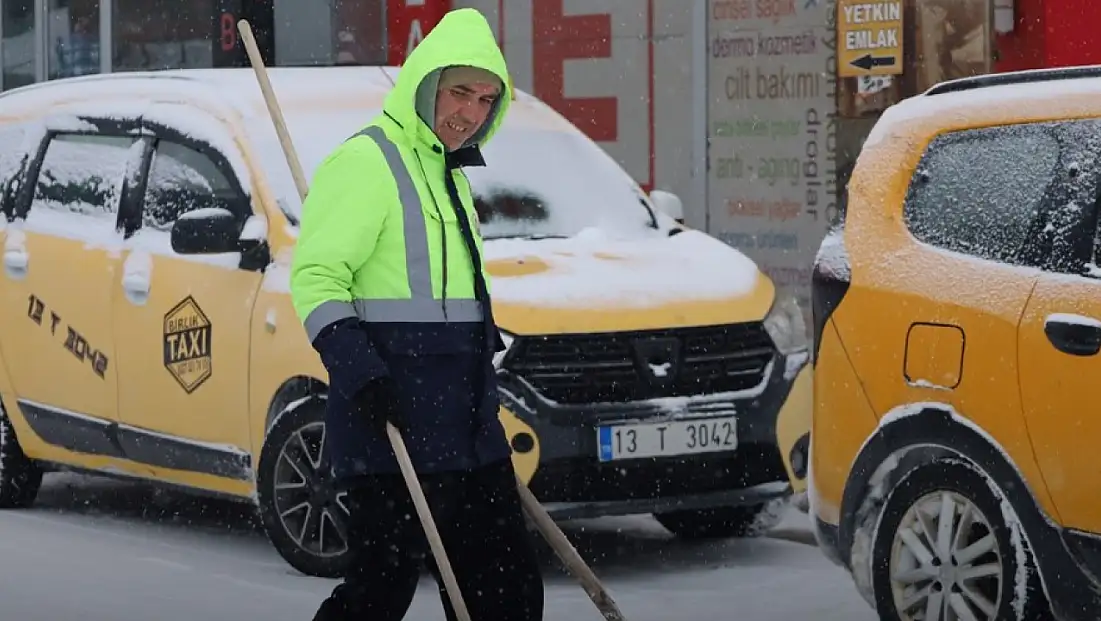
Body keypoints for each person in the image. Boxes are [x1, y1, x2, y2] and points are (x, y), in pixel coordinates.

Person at [289, 7, 545, 621]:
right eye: (460, 92)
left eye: (486, 100)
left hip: (466, 422)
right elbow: (317, 278)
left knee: (506, 592)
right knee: (379, 592)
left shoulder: (451, 173)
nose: (471, 112)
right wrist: (362, 372)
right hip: (393, 422)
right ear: (425, 83)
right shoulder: (367, 162)